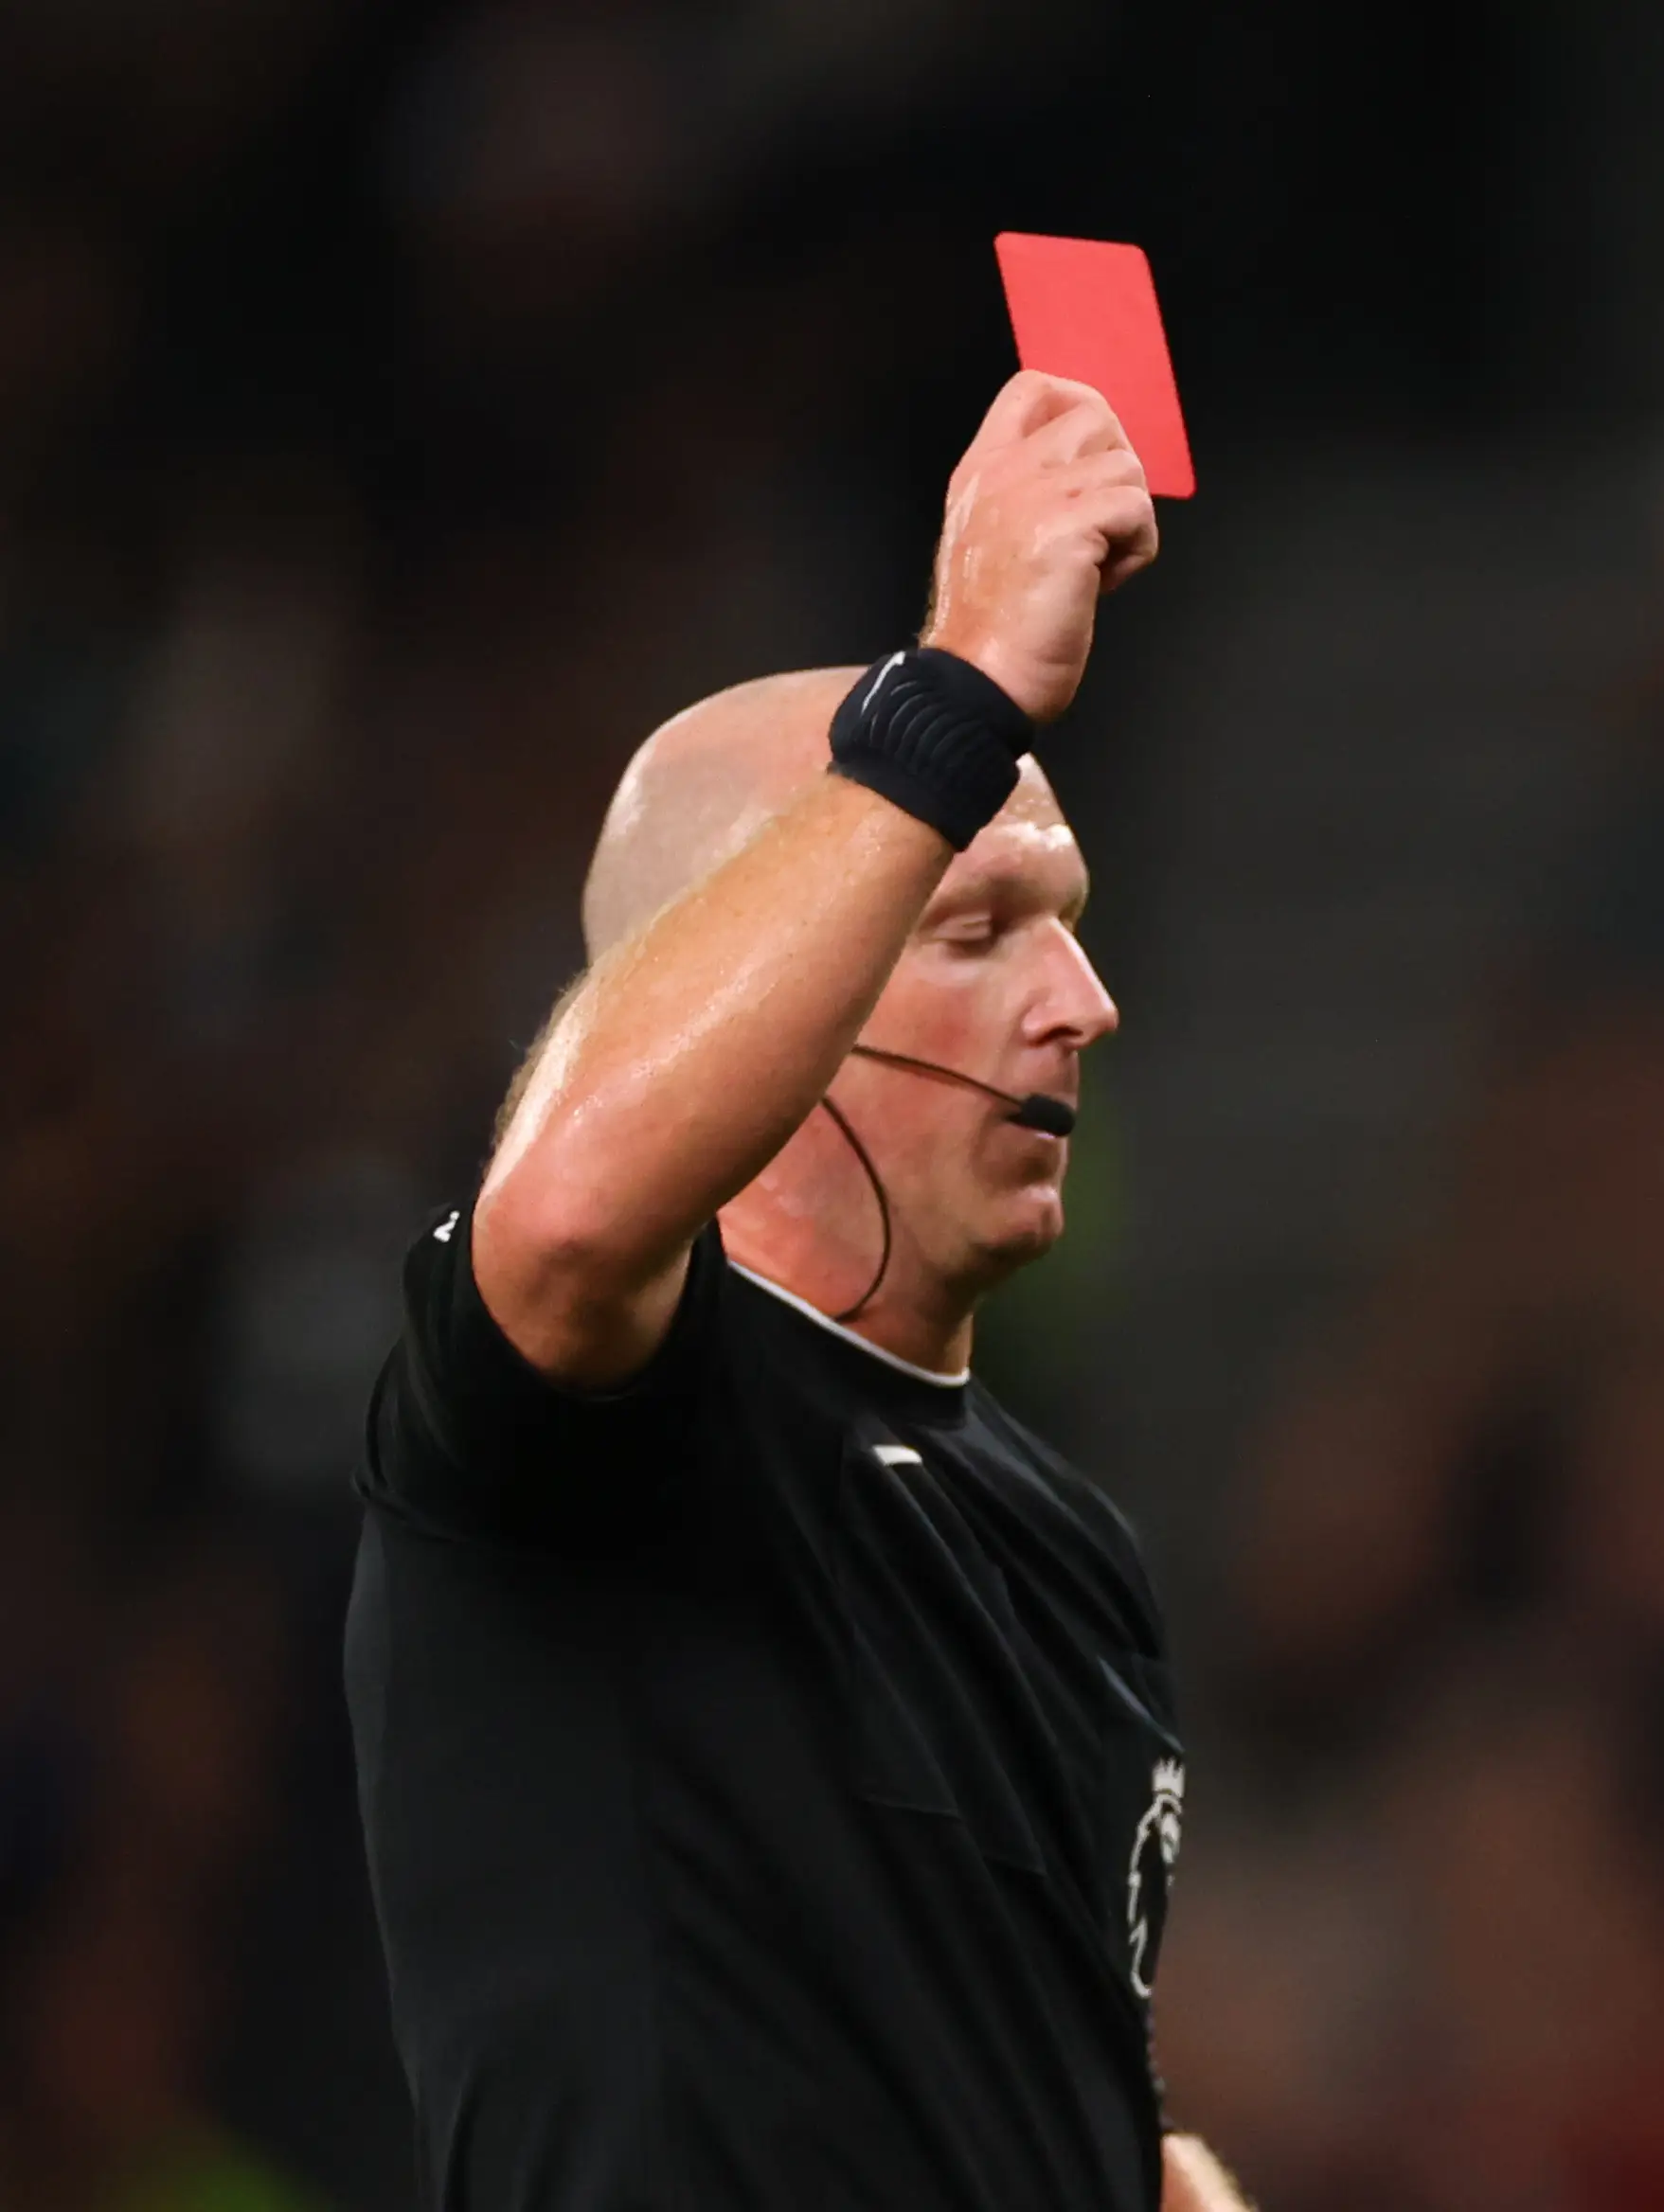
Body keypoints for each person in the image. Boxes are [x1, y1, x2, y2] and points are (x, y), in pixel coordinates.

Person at [346, 370, 1252, 2212]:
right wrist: (957, 686)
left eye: (1068, 920)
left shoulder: (1063, 1543)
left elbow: (1079, 2124)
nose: (1080, 1002)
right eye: (979, 926)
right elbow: (570, 1215)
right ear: (776, 975)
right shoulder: (593, 1418)